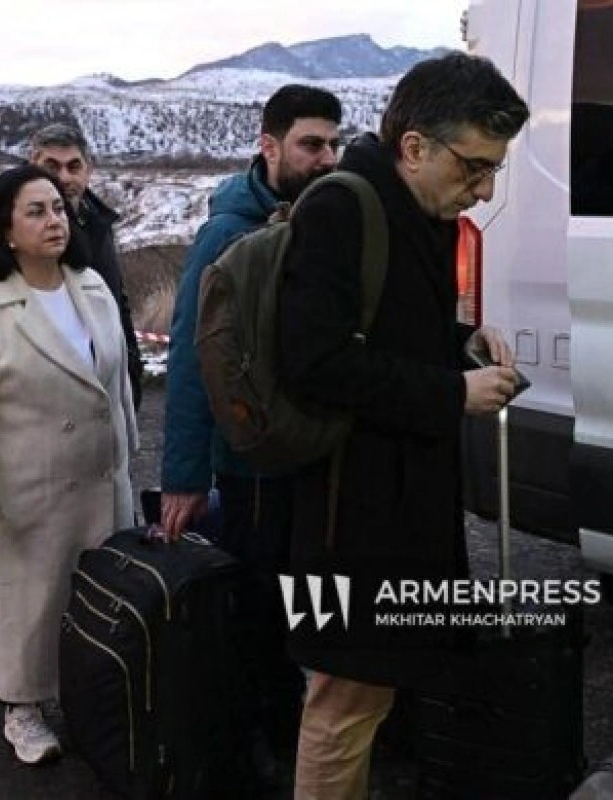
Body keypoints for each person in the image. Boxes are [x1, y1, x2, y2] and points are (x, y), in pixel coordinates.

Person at [276, 54, 529, 797]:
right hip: (350, 512)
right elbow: (315, 362)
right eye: (474, 167)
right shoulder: (340, 209)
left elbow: (394, 332)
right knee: (345, 701)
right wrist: (453, 393)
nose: (484, 190)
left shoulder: (421, 211)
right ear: (414, 146)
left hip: (403, 501)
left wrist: (464, 345)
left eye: (495, 170)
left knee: (373, 695)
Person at [160, 83, 343, 787]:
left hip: (308, 451)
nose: (326, 158)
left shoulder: (317, 219)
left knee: (308, 596)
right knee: (261, 607)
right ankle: (264, 746)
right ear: (269, 146)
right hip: (252, 462)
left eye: (334, 144)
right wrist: (183, 476)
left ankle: (305, 728)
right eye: (310, 144)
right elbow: (190, 354)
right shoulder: (229, 234)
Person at [0, 164, 137, 765]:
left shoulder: (89, 285)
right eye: (36, 211)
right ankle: (21, 707)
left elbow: (117, 385)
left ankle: (92, 702)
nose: (55, 221)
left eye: (58, 209)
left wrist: (129, 458)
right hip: (27, 490)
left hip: (99, 481)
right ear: (5, 229)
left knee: (97, 602)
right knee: (28, 606)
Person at [28, 124, 144, 409]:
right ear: (33, 166)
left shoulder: (98, 224)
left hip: (106, 385)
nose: (64, 177)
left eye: (73, 166)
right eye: (52, 167)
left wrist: (131, 368)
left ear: (87, 170)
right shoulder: (15, 231)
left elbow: (116, 300)